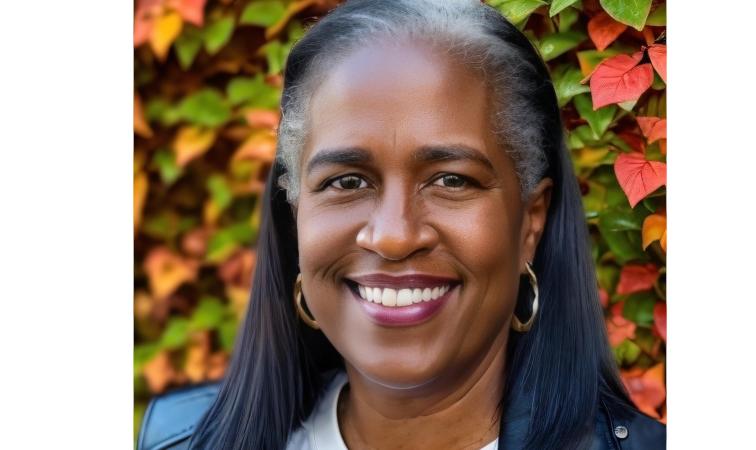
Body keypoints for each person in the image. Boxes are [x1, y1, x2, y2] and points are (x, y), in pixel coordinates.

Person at [137, 0, 667, 449]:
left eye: (451, 180)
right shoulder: (180, 439)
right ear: (296, 213)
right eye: (347, 181)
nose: (393, 236)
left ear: (531, 220)